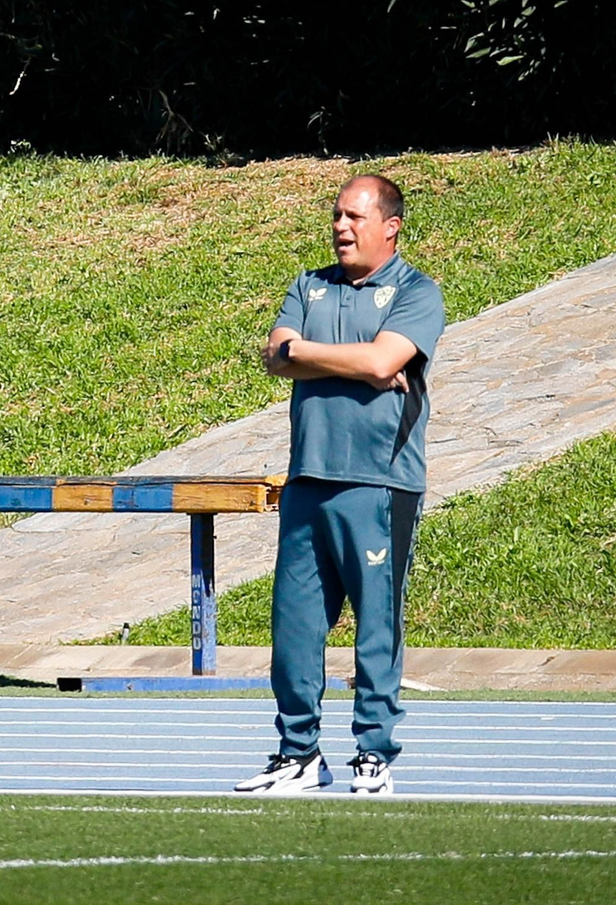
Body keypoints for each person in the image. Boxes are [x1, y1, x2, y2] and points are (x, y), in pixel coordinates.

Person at [235, 174, 445, 797]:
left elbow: (384, 360)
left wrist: (316, 353)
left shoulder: (416, 291)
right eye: (336, 215)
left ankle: (373, 754)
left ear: (390, 226)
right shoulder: (309, 284)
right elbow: (276, 355)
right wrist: (357, 360)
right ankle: (298, 753)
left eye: (354, 216)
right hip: (308, 479)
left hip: (380, 484)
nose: (341, 227)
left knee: (376, 624)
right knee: (294, 626)